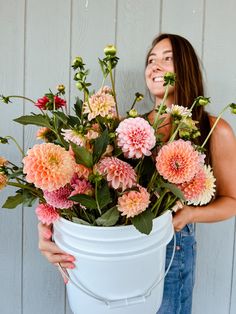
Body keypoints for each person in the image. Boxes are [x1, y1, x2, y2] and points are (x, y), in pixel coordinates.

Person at [38, 33, 236, 314]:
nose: (155, 66)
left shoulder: (215, 130)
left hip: (172, 246)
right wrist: (48, 232)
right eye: (151, 60)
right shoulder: (128, 128)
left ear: (186, 67)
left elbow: (232, 200)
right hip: (117, 248)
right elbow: (81, 187)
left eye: (167, 59)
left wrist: (190, 215)